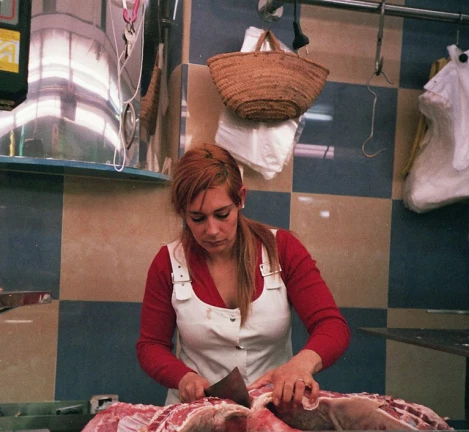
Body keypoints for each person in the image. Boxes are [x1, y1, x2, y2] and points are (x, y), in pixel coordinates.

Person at [136, 143, 350, 406]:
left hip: (274, 413)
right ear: (182, 213)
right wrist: (183, 377)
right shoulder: (168, 262)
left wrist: (301, 365)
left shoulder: (281, 249)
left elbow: (331, 325)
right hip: (197, 415)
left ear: (241, 198)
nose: (212, 230)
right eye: (197, 218)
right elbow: (151, 345)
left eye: (222, 214)